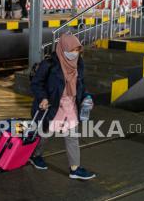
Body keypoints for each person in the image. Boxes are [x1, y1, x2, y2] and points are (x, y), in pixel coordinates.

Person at [29, 33, 96, 180]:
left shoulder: (79, 63)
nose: (74, 54)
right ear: (63, 48)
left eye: (77, 50)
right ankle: (35, 155)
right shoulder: (49, 64)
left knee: (72, 136)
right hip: (53, 106)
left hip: (71, 105)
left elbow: (81, 84)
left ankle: (75, 168)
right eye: (71, 50)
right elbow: (36, 83)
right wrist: (43, 97)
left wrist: (86, 97)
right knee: (46, 133)